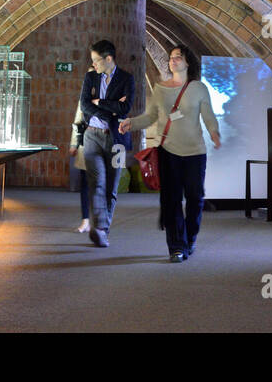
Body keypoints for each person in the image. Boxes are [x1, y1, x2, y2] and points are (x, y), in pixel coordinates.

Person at [120, 44, 219, 262]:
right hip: (168, 152)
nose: (173, 61)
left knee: (195, 198)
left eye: (178, 57)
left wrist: (214, 132)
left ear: (188, 62)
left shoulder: (198, 88)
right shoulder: (160, 88)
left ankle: (190, 237)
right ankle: (177, 247)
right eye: (171, 57)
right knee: (171, 199)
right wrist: (132, 123)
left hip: (194, 152)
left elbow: (208, 115)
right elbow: (150, 117)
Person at [78, 39, 134, 247]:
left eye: (96, 60)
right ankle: (100, 228)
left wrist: (100, 102)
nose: (93, 65)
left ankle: (103, 230)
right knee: (97, 183)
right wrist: (110, 108)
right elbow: (84, 105)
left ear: (108, 59)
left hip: (117, 139)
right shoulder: (90, 77)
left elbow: (124, 109)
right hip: (92, 136)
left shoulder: (127, 79)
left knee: (111, 187)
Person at [69, 99, 90, 232]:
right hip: (86, 141)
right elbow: (78, 121)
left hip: (105, 143)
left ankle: (102, 221)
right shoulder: (86, 94)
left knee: (103, 186)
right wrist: (73, 144)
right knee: (85, 184)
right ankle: (85, 220)